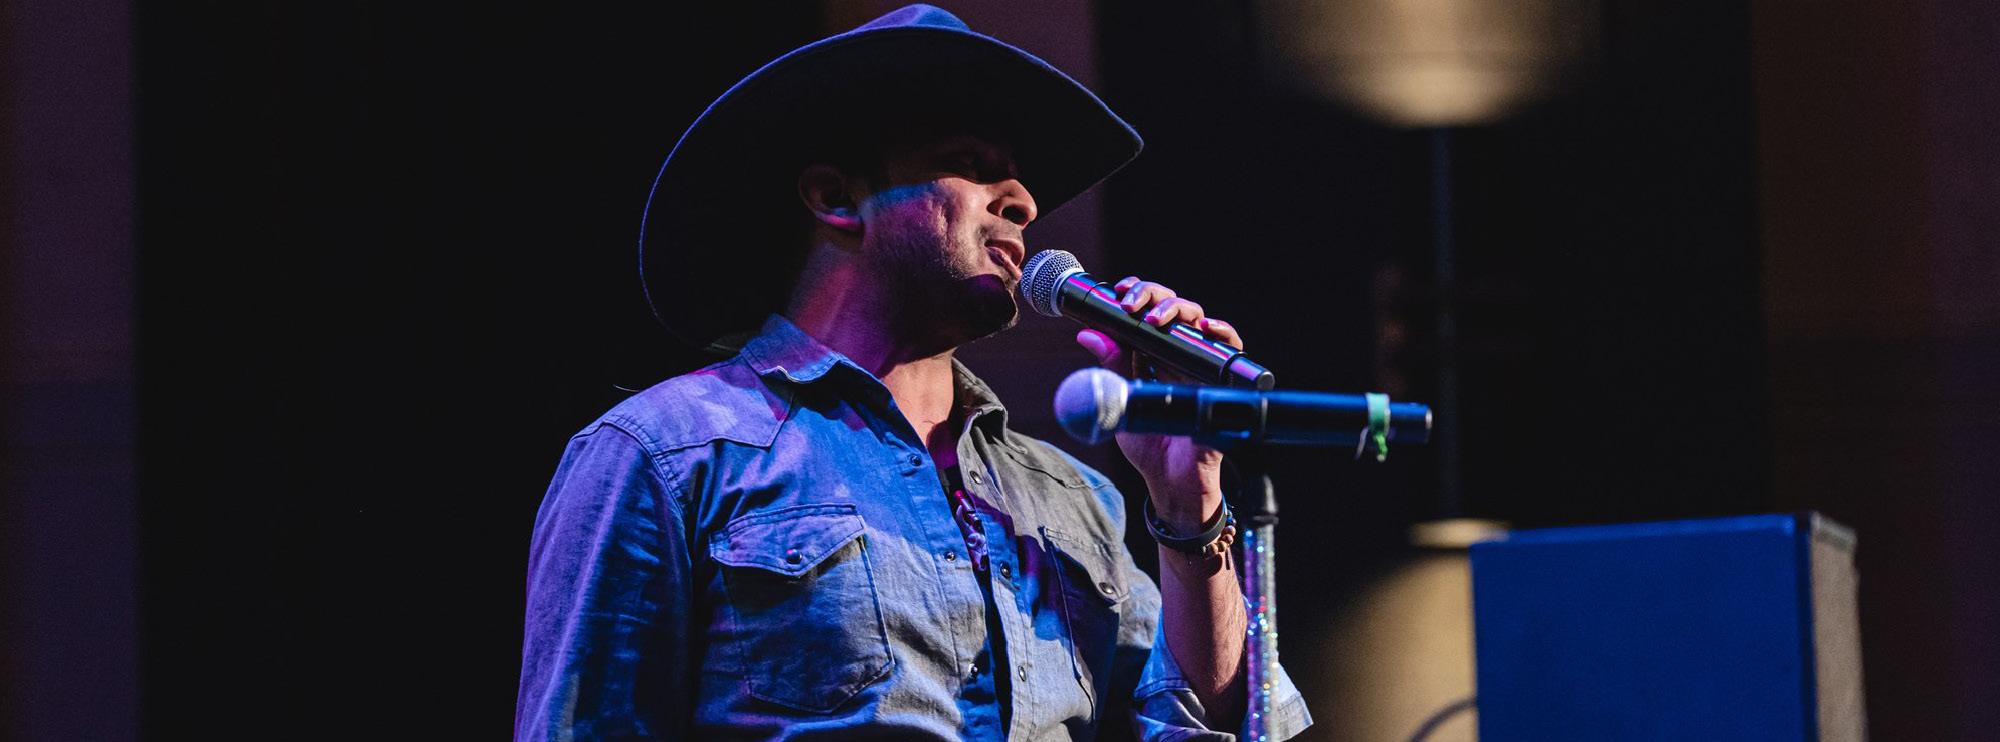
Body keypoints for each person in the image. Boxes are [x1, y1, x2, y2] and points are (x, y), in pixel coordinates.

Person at [515, 6, 1312, 741]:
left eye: (1019, 177)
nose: (1025, 201)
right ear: (837, 197)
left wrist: (1187, 504)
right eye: (968, 163)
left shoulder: (1075, 500)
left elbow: (1230, 727)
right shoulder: (667, 454)